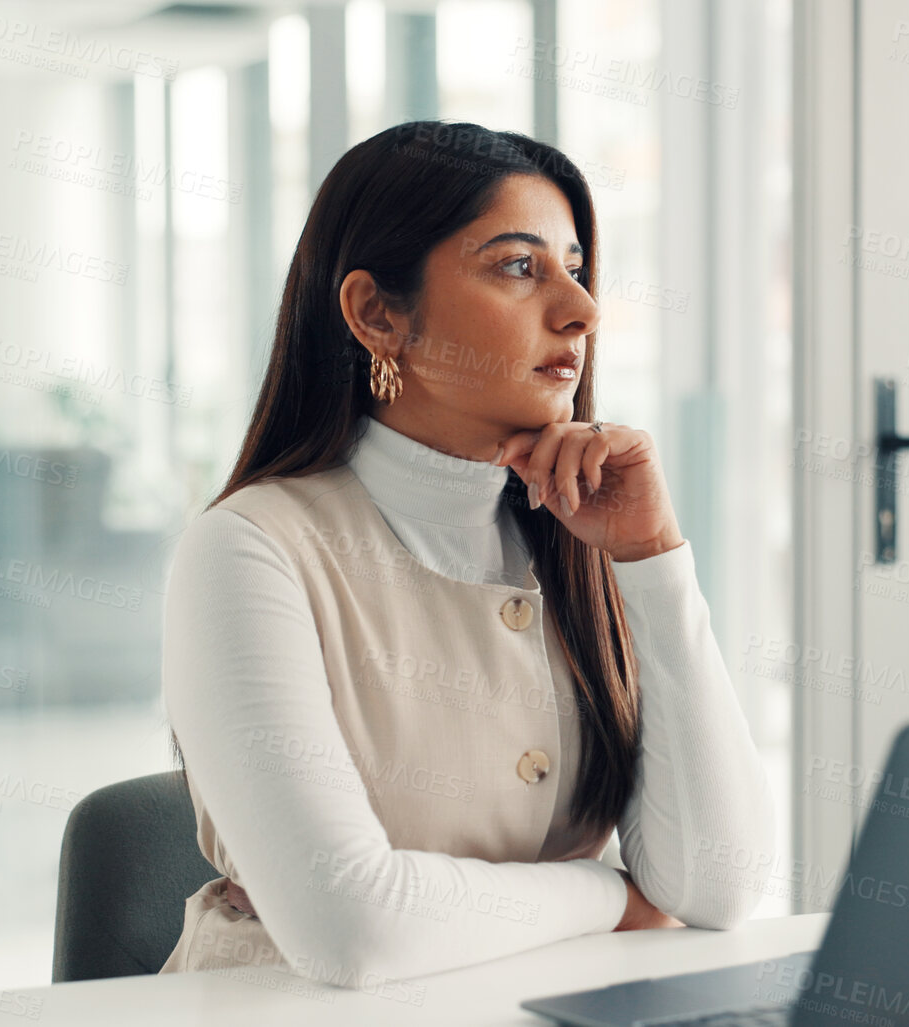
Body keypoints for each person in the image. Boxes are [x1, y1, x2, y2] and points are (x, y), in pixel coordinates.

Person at [158, 120, 773, 988]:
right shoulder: (249, 550)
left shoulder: (574, 531)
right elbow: (350, 925)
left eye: (576, 268)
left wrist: (652, 561)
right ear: (378, 313)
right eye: (519, 267)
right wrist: (603, 894)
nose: (581, 310)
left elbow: (719, 885)